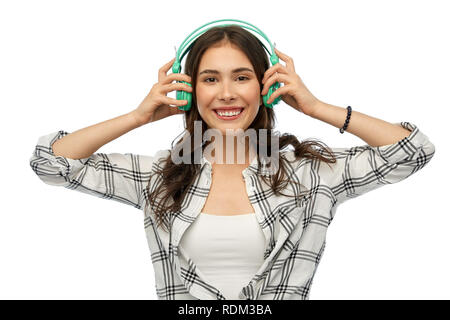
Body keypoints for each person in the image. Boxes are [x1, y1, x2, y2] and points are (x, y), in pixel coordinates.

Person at [29, 25, 435, 300]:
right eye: (210, 79)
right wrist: (137, 117)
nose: (226, 93)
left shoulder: (311, 175)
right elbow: (50, 162)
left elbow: (413, 150)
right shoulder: (156, 177)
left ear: (266, 87)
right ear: (189, 91)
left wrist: (314, 107)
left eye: (241, 77)